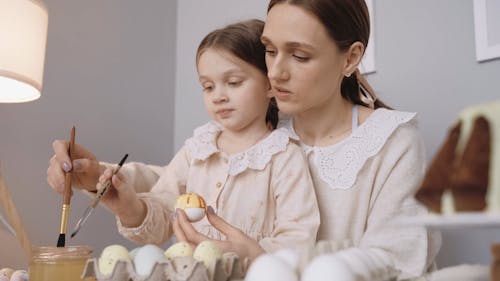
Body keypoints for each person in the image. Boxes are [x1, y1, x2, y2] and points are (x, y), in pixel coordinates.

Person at [47, 0, 441, 278]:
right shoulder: (258, 125)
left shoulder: (391, 141)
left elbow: (398, 261)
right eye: (269, 51)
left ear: (351, 58)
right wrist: (97, 175)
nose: (276, 73)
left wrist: (259, 258)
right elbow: (181, 180)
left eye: (299, 56)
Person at [48, 19, 320, 262]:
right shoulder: (198, 149)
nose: (218, 96)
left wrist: (252, 254)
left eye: (234, 82)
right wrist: (130, 207)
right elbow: (162, 213)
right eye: (208, 86)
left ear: (269, 85)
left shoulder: (284, 156)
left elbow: (298, 240)